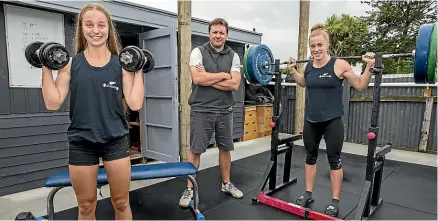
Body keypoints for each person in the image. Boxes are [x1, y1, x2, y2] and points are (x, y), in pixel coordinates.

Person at [41, 3, 144, 220]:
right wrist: (45, 66)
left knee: (121, 202)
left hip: (115, 139)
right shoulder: (70, 65)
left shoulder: (121, 66)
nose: (95, 30)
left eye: (101, 25)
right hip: (81, 142)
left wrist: (139, 69)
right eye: (89, 24)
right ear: (81, 28)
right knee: (86, 206)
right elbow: (52, 102)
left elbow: (135, 103)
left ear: (109, 29)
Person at [286, 24, 375, 217]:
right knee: (310, 157)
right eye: (313, 46)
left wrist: (369, 67)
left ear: (327, 44)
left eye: (320, 45)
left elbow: (361, 85)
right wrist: (293, 71)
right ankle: (308, 194)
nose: (316, 49)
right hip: (311, 120)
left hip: (332, 121)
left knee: (334, 160)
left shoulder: (339, 64)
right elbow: (304, 82)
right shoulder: (309, 66)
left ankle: (335, 201)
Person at [179, 18, 243, 207]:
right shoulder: (198, 52)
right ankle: (189, 189)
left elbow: (235, 84)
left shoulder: (233, 56)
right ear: (209, 33)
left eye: (221, 32)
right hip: (202, 110)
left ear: (226, 35)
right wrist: (224, 75)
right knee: (195, 150)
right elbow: (198, 79)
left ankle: (226, 184)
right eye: (214, 32)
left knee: (225, 148)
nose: (218, 35)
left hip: (225, 110)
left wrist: (209, 77)